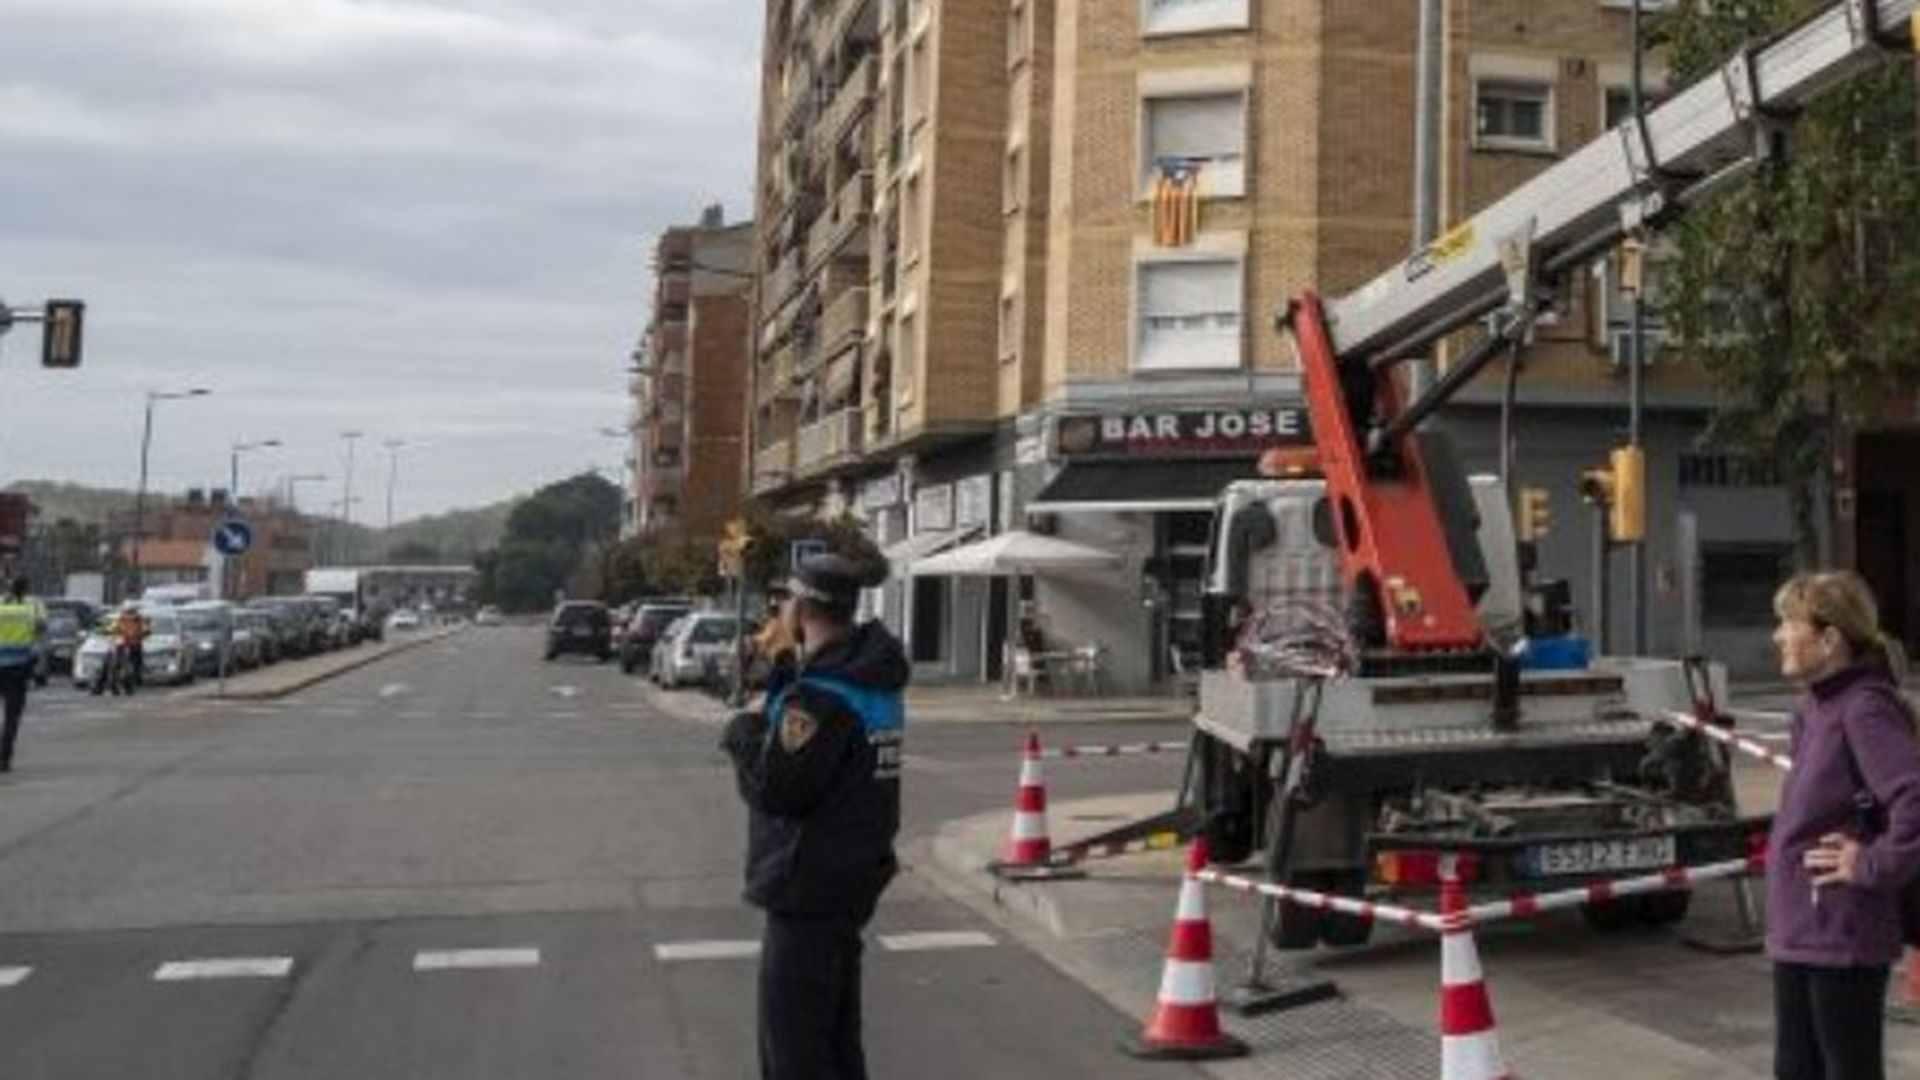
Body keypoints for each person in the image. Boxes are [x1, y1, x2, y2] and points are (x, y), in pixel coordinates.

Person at [721, 552, 907, 1080]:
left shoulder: (821, 697)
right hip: (850, 879)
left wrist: (742, 732)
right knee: (836, 1044)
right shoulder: (869, 676)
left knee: (794, 1053)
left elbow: (778, 788)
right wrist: (782, 669)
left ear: (801, 607)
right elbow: (814, 748)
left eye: (785, 602)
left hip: (806, 885)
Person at [1766, 569, 1920, 1080]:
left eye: (1789, 623)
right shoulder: (1813, 709)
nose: (1778, 636)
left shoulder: (1862, 709)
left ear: (1829, 639)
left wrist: (1871, 863)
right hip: (1801, 931)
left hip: (1841, 934)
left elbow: (1915, 798)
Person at [0, 577, 46, 773]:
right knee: (12, 716)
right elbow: (40, 631)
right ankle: (4, 758)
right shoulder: (30, 611)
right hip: (18, 669)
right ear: (25, 591)